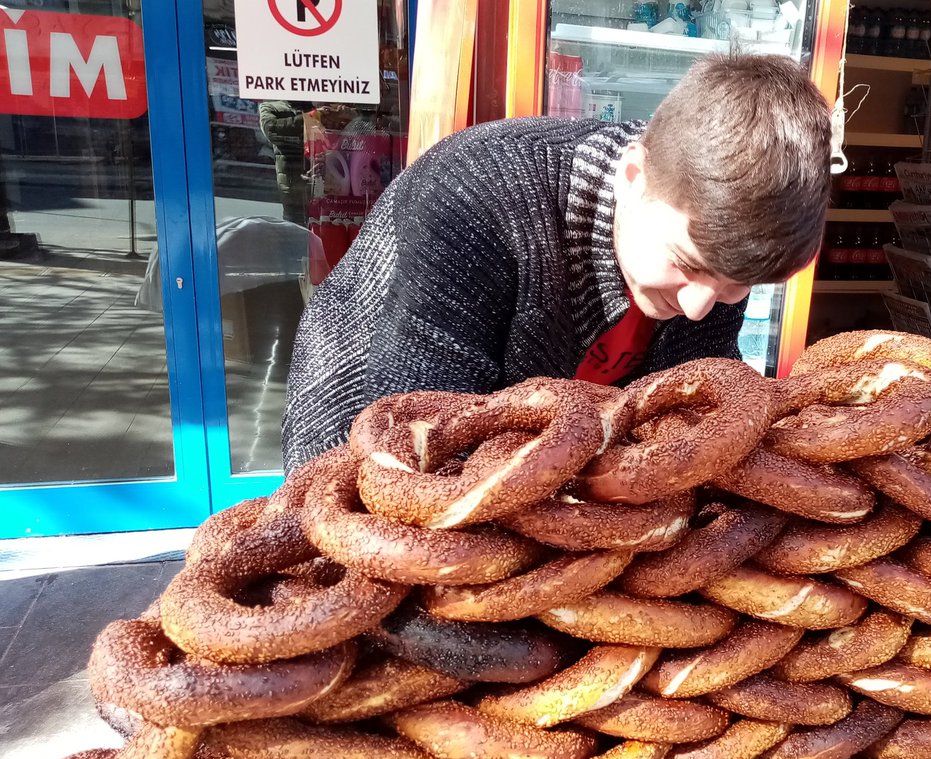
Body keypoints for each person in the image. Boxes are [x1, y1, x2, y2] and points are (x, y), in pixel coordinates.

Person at [281, 53, 832, 471]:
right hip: (358, 430)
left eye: (739, 286)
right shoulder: (478, 197)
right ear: (634, 176)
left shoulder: (717, 250)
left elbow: (696, 412)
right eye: (686, 264)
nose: (698, 307)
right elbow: (422, 445)